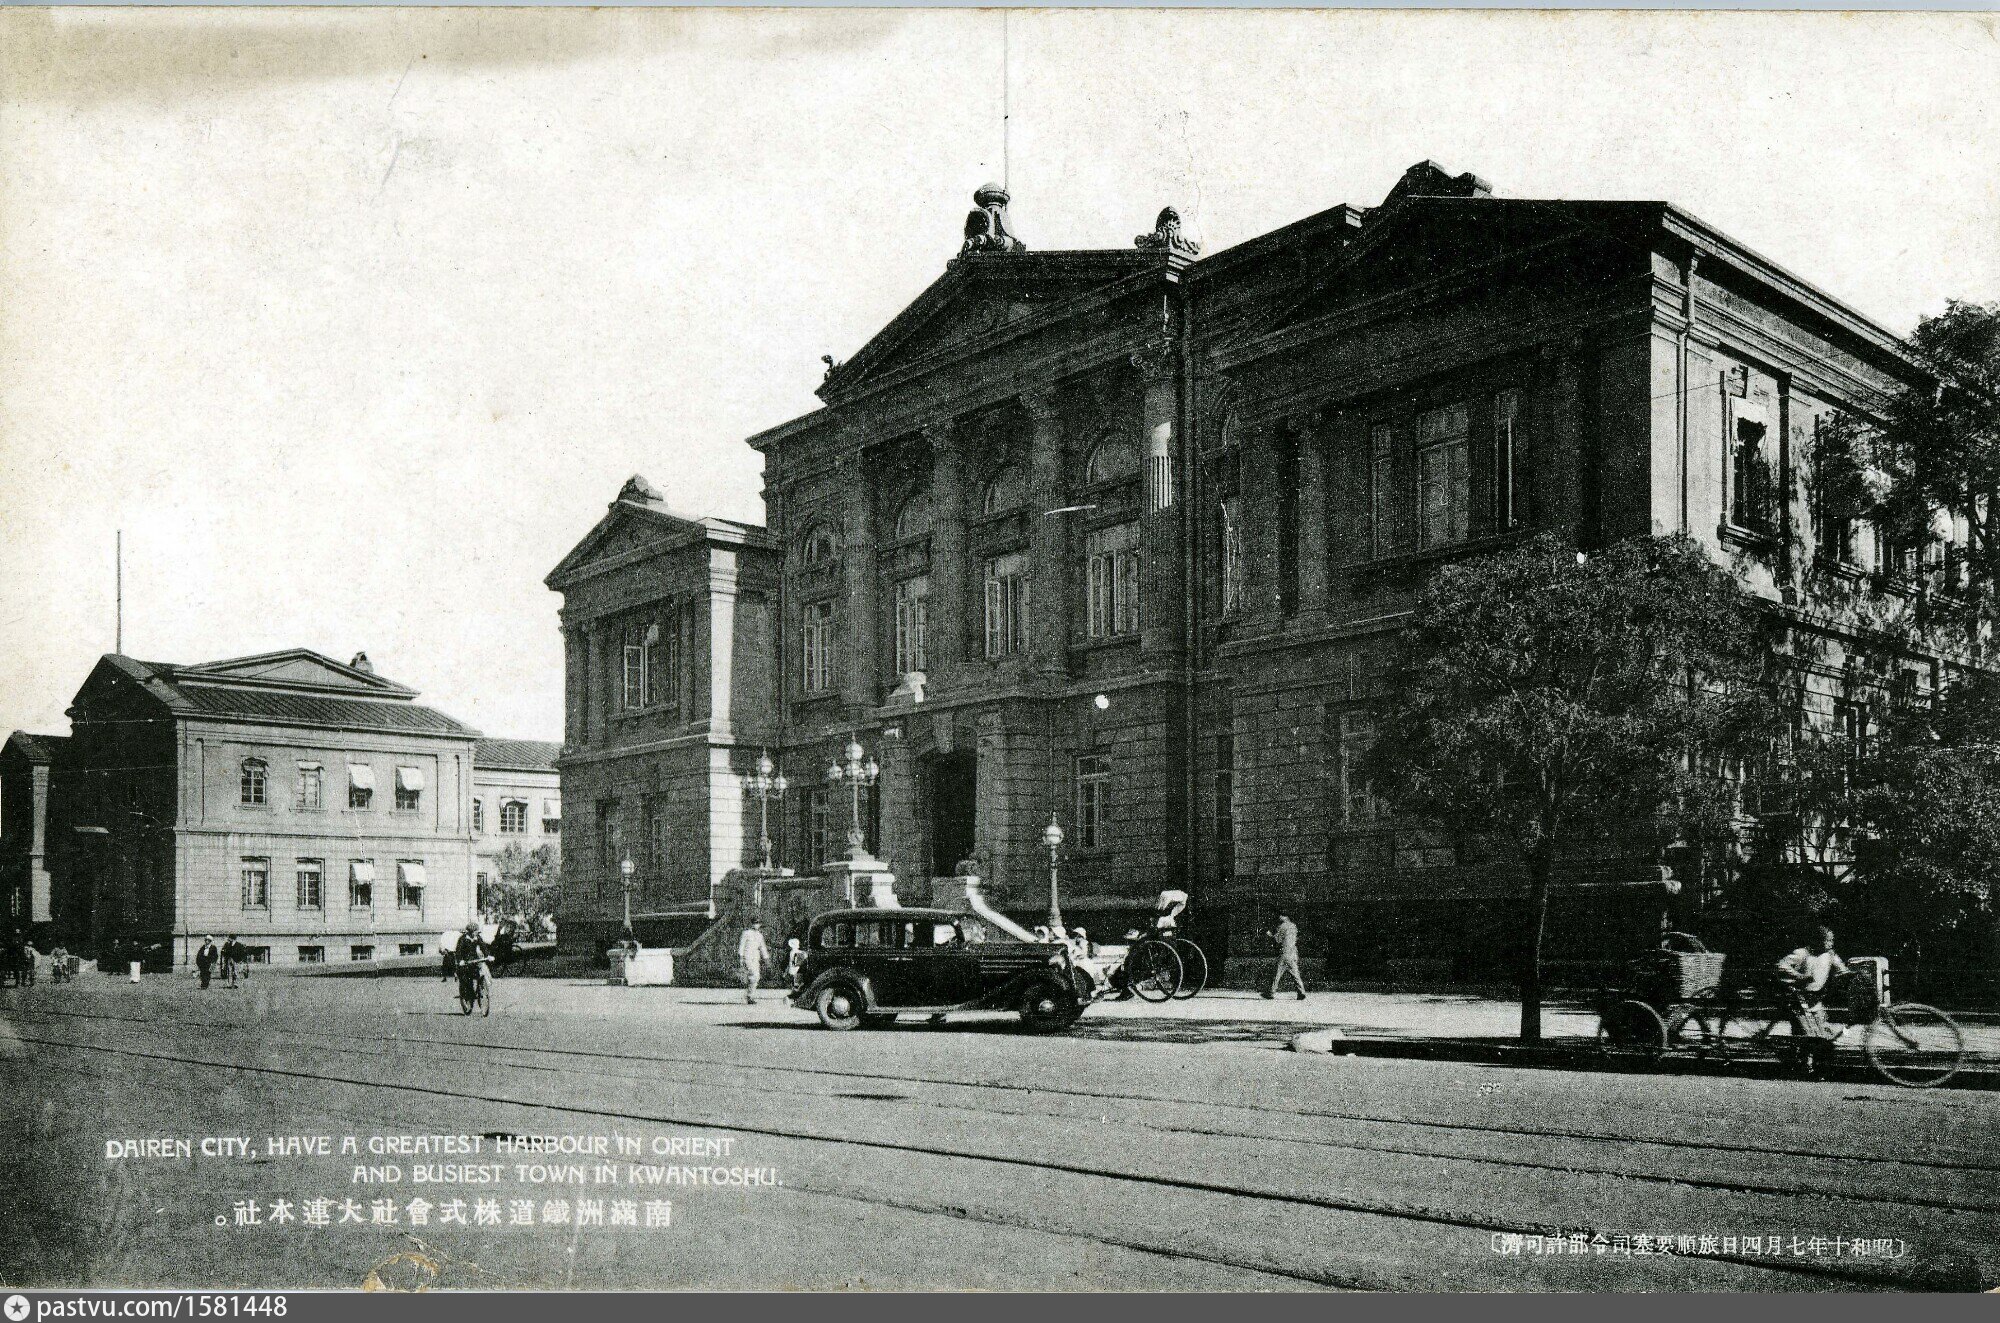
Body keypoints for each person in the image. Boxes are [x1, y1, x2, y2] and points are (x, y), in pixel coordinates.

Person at [1774, 924, 1850, 1054]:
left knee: (1822, 1034)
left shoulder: (1831, 955)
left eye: (1831, 940)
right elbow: (1781, 965)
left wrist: (1847, 974)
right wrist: (1798, 976)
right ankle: (1798, 1058)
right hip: (1798, 998)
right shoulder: (1803, 953)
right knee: (1805, 1033)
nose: (1830, 943)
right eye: (1827, 940)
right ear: (1818, 940)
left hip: (1815, 999)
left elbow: (1842, 970)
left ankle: (1812, 1058)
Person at [1264, 912, 1307, 1001]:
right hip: (1293, 952)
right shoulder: (1293, 926)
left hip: (1284, 953)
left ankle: (1271, 992)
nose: (1279, 917)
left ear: (1285, 917)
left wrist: (1269, 934)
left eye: (1281, 915)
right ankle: (1301, 992)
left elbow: (1278, 940)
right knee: (1295, 974)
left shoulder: (1282, 926)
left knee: (1277, 973)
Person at [452, 921, 493, 1005]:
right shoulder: (463, 939)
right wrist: (460, 960)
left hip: (474, 960)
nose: (477, 933)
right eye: (475, 931)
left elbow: (483, 947)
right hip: (465, 962)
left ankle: (481, 988)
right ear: (470, 932)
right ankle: (468, 997)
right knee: (467, 979)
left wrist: (488, 955)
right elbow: (458, 951)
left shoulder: (477, 937)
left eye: (477, 931)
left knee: (480, 973)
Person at [738, 920, 770, 1004]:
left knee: (757, 977)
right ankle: (748, 995)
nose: (756, 925)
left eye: (758, 923)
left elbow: (762, 947)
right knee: (753, 975)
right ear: (751, 924)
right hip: (747, 956)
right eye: (755, 923)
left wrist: (766, 958)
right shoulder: (746, 933)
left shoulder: (760, 935)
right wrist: (741, 957)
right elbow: (742, 945)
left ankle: (749, 996)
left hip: (756, 957)